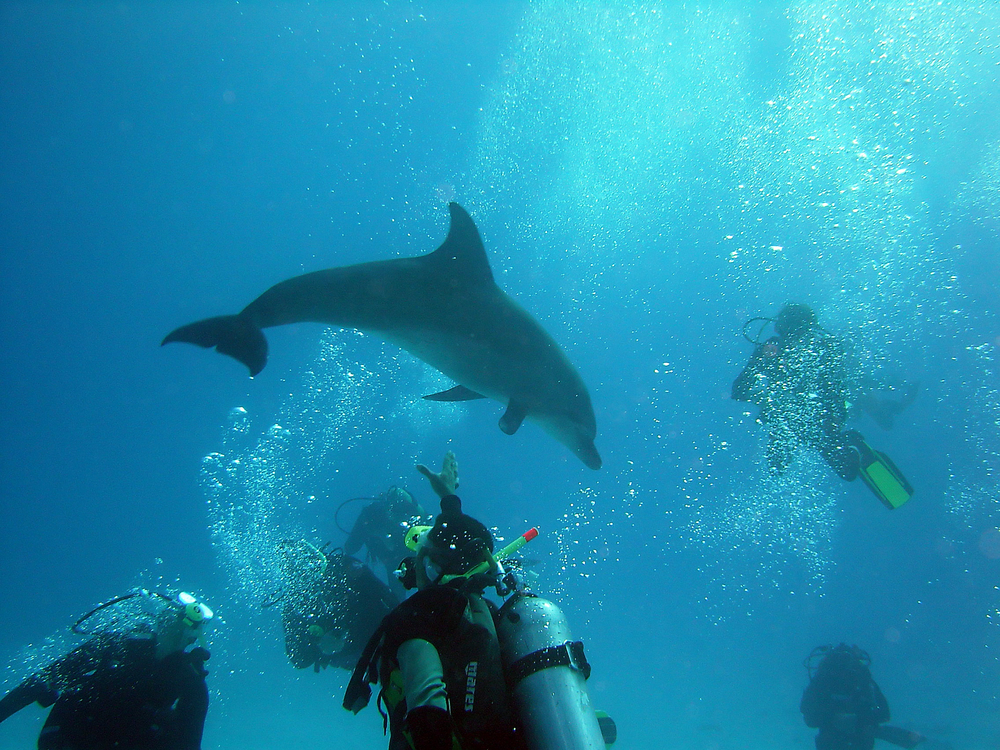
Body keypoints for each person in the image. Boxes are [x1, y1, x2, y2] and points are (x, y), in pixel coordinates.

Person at [344, 451, 517, 750]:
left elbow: (428, 712)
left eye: (420, 555)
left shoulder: (416, 618)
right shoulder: (492, 612)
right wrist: (449, 498)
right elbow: (463, 543)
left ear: (431, 567)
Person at [732, 303, 915, 508]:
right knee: (799, 460)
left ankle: (848, 440)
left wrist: (766, 394)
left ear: (783, 325)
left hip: (802, 419)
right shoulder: (824, 344)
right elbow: (852, 382)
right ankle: (848, 440)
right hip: (818, 419)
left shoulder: (790, 346)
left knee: (787, 462)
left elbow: (739, 390)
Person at [0, 590, 213, 750]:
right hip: (68, 739)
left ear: (193, 638)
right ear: (159, 619)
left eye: (182, 625)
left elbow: (188, 743)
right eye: (170, 618)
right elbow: (45, 680)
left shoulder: (191, 683)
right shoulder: (115, 646)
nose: (173, 625)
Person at [278, 541, 400, 672]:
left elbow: (386, 598)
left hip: (382, 638)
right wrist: (318, 646)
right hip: (356, 655)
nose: (308, 572)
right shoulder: (295, 602)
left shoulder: (344, 567)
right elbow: (299, 659)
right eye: (296, 570)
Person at [801, 644, 924, 750]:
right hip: (851, 742)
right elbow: (884, 715)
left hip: (838, 742)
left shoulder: (824, 680)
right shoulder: (860, 677)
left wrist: (845, 719)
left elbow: (809, 718)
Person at [343, 485, 429, 586]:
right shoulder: (372, 516)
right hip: (397, 561)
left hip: (403, 560)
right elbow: (350, 548)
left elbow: (351, 547)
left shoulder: (417, 514)